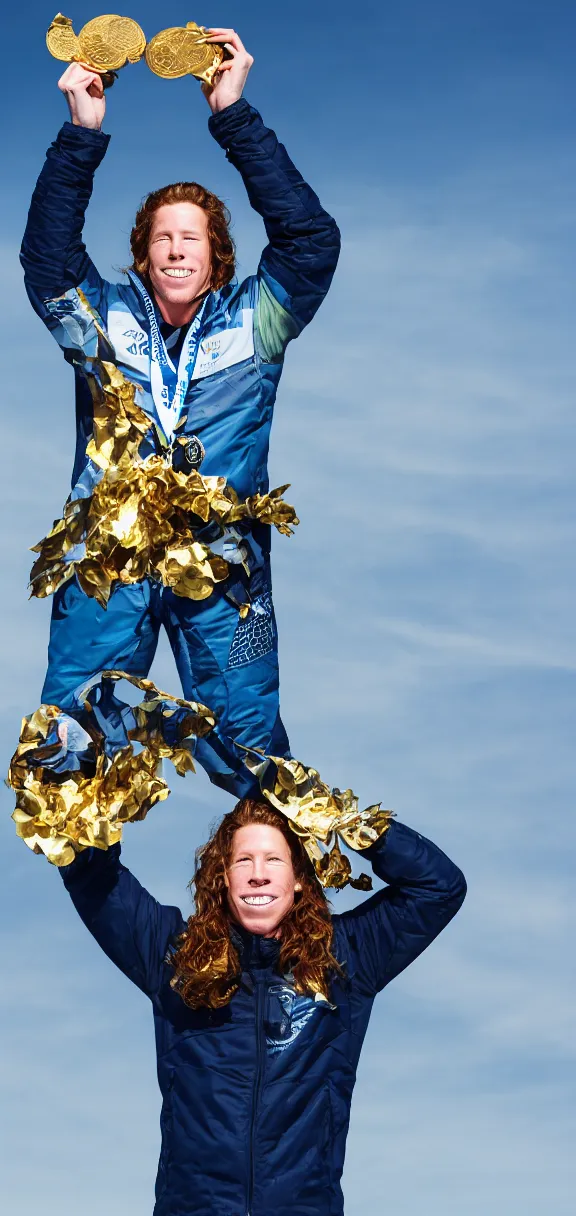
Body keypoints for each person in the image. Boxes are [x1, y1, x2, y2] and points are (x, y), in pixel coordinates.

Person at [20, 29, 340, 799]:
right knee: (68, 750)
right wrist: (80, 135)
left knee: (254, 751)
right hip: (107, 565)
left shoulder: (258, 321)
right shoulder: (101, 321)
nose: (174, 248)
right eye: (160, 237)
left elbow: (310, 240)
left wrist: (234, 116)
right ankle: (106, 912)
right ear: (140, 253)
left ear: (217, 255)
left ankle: (278, 909)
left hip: (229, 575)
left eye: (191, 237)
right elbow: (47, 262)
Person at [60, 799, 466, 1214]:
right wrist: (69, 782)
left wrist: (337, 814)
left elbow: (439, 888)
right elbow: (92, 875)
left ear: (299, 879)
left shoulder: (344, 960)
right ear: (222, 878)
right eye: (243, 861)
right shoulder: (175, 960)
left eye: (274, 859)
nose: (258, 875)